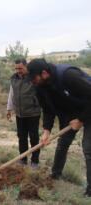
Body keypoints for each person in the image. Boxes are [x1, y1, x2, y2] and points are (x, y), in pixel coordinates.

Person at [27, 58, 91, 196]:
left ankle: (90, 190)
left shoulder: (68, 76)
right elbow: (48, 110)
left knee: (88, 148)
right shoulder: (40, 87)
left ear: (44, 73)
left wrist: (81, 120)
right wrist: (46, 130)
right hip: (72, 112)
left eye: (34, 78)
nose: (32, 82)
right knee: (62, 144)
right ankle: (55, 175)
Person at [7, 59, 41, 168]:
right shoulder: (14, 79)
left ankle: (35, 161)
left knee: (34, 137)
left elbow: (42, 92)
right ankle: (23, 160)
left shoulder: (33, 78)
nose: (18, 70)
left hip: (33, 113)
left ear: (26, 67)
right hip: (19, 114)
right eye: (16, 68)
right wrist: (9, 109)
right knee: (21, 137)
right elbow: (11, 94)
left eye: (20, 68)